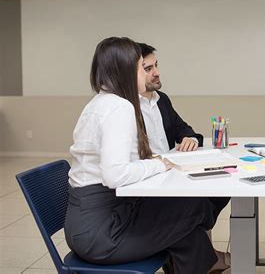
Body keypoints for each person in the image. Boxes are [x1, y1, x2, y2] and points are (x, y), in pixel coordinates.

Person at [64, 37, 223, 274]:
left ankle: (205, 261)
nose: (150, 73)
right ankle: (210, 259)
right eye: (143, 66)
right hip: (104, 234)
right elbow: (115, 175)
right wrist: (159, 165)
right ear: (126, 70)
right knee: (194, 207)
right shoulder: (120, 107)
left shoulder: (98, 103)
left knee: (187, 220)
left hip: (86, 225)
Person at [137, 42, 231, 272]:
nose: (157, 72)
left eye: (156, 65)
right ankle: (206, 256)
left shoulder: (162, 100)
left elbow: (185, 129)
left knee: (222, 189)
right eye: (148, 68)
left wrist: (191, 139)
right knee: (197, 204)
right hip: (148, 183)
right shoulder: (125, 108)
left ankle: (201, 251)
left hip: (170, 173)